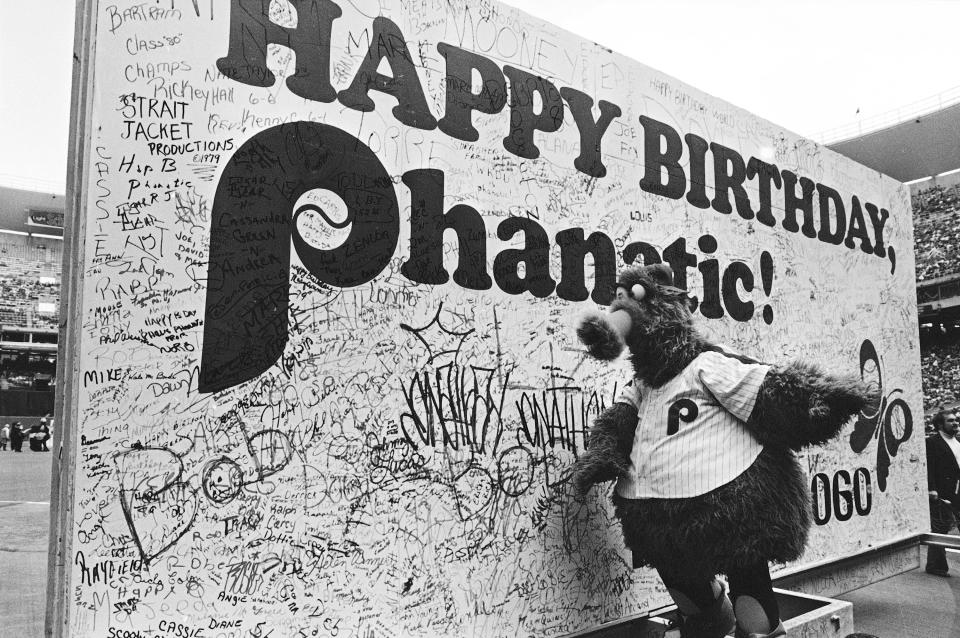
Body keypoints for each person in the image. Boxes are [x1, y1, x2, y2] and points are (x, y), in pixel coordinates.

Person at [926, 408, 960, 576]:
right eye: (951, 421)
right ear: (940, 424)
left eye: (956, 420)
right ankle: (936, 566)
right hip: (942, 492)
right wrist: (931, 488)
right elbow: (929, 467)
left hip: (958, 491)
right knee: (940, 530)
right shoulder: (932, 442)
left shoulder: (958, 442)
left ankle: (935, 564)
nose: (955, 423)